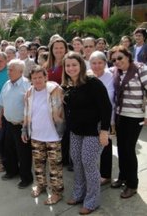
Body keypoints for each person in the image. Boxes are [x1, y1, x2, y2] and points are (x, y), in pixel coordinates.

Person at [62, 51, 111, 215]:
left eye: (74, 65)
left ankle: (92, 201)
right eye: (68, 65)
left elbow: (106, 107)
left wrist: (105, 131)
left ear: (81, 65)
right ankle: (78, 193)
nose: (71, 68)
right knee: (76, 160)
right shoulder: (69, 85)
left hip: (94, 131)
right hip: (76, 131)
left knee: (88, 162)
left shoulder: (93, 83)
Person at [21, 66, 65, 205]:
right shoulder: (29, 92)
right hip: (36, 135)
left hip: (53, 136)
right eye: (35, 78)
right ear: (31, 80)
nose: (38, 80)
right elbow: (26, 112)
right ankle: (41, 185)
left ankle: (57, 192)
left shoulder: (55, 90)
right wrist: (24, 129)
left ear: (46, 77)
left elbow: (61, 111)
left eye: (41, 77)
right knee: (38, 165)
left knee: (55, 167)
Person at [110, 45, 147, 198]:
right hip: (121, 115)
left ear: (128, 56)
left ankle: (132, 184)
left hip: (135, 115)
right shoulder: (116, 72)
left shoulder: (140, 68)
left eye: (120, 58)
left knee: (129, 148)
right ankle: (123, 176)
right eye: (113, 60)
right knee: (121, 148)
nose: (117, 62)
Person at [0, 59, 33, 189]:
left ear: (21, 71)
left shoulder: (27, 85)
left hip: (21, 125)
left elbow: (31, 107)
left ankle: (26, 178)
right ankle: (12, 171)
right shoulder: (7, 84)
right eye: (8, 69)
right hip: (8, 122)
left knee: (23, 153)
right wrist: (0, 118)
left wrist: (26, 125)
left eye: (11, 69)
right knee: (8, 149)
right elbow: (2, 103)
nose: (8, 72)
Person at [89, 51, 115, 186]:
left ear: (105, 63)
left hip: (106, 118)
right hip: (90, 118)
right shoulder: (87, 75)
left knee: (106, 146)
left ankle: (105, 175)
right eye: (94, 63)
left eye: (100, 63)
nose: (97, 66)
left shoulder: (111, 76)